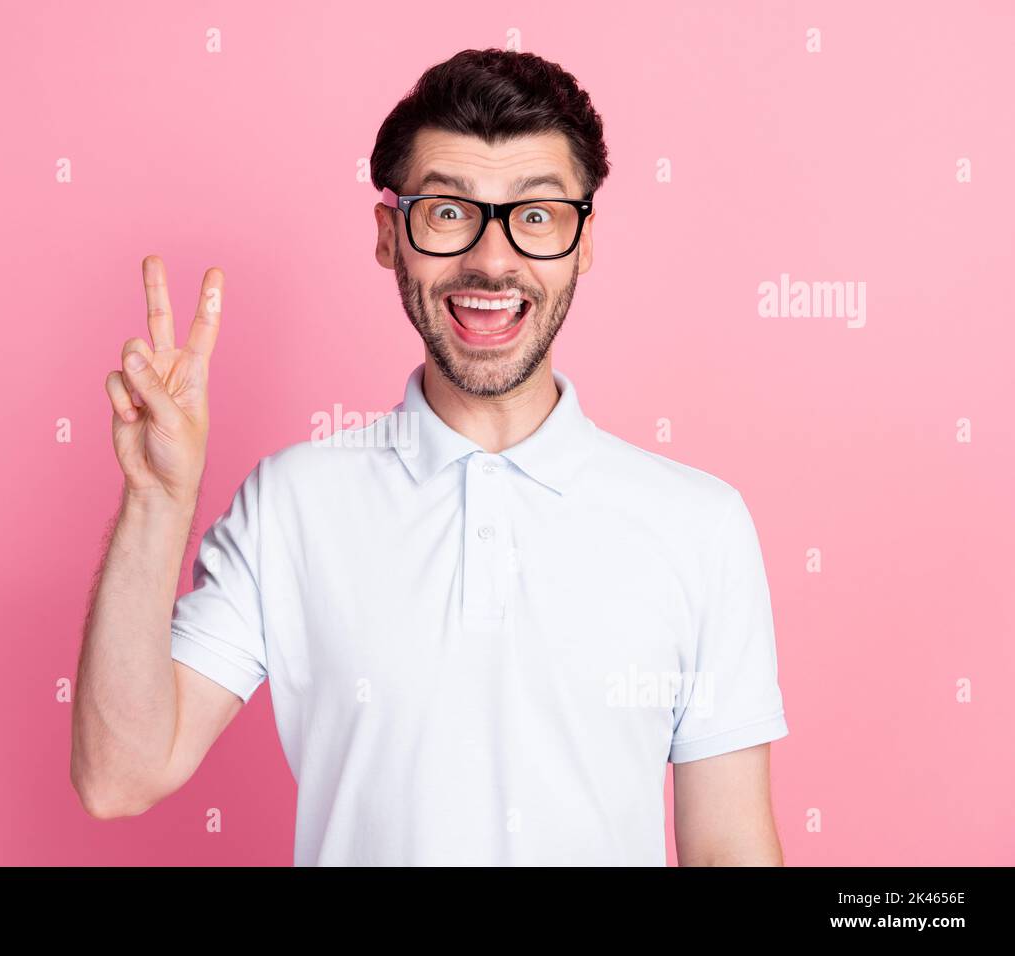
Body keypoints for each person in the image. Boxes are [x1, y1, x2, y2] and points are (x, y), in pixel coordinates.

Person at [71, 48, 789, 866]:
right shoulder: (292, 504)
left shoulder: (699, 525)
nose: (491, 260)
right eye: (448, 212)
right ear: (389, 237)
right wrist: (155, 504)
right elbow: (118, 776)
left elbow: (728, 847)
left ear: (584, 242)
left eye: (537, 215)